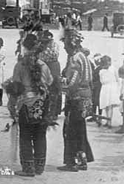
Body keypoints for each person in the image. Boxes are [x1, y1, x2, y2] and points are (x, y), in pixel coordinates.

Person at [7, 34, 53, 177]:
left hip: (25, 104)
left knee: (26, 135)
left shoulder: (20, 65)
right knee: (40, 134)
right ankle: (39, 166)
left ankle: (28, 168)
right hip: (42, 103)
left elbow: (15, 87)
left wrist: (11, 104)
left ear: (25, 47)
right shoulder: (44, 65)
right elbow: (50, 82)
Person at [58, 28, 94, 172]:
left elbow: (73, 82)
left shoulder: (74, 59)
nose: (65, 48)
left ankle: (72, 162)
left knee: (70, 130)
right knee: (80, 130)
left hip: (76, 99)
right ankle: (82, 160)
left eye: (66, 45)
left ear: (71, 44)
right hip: (86, 98)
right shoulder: (84, 57)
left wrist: (61, 85)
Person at [38, 30, 62, 120]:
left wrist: (45, 48)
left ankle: (53, 112)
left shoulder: (54, 45)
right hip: (44, 68)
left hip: (53, 69)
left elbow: (53, 55)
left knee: (54, 92)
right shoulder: (40, 46)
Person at [98, 55, 121, 128]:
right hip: (109, 87)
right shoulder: (110, 69)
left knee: (108, 105)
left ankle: (109, 121)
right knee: (107, 105)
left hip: (108, 88)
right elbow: (117, 79)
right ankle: (108, 121)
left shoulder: (102, 71)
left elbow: (101, 81)